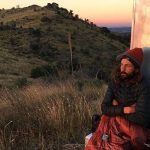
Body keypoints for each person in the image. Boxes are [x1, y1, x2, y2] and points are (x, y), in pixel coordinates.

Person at [85, 48, 150, 150]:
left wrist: (115, 107)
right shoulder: (115, 81)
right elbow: (105, 107)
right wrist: (126, 109)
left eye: (127, 65)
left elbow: (142, 118)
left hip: (132, 126)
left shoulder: (143, 86)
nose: (122, 69)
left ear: (136, 69)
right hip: (112, 121)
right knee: (97, 143)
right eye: (121, 64)